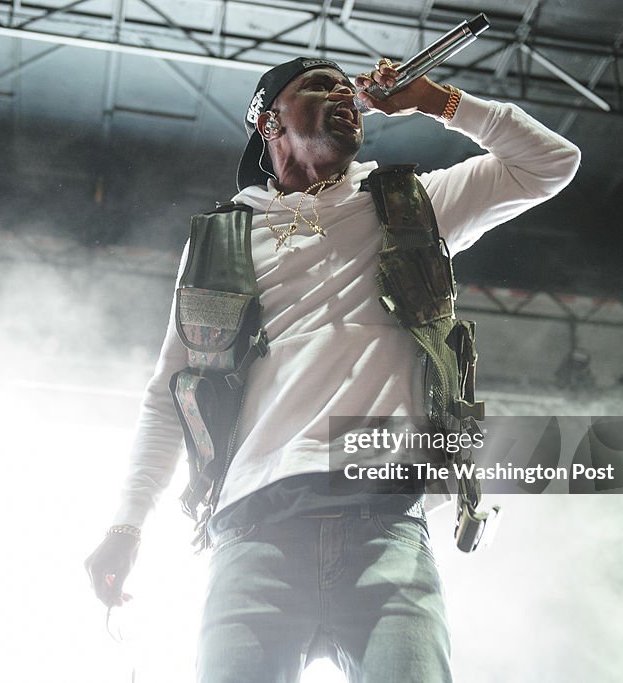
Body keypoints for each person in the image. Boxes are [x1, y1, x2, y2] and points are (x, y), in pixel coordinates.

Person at [86, 56, 580, 682]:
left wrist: (439, 102)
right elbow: (167, 396)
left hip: (387, 529)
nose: (344, 92)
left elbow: (551, 162)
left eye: (348, 86)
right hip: (253, 534)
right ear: (269, 121)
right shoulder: (222, 239)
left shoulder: (412, 205)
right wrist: (128, 523)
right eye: (320, 86)